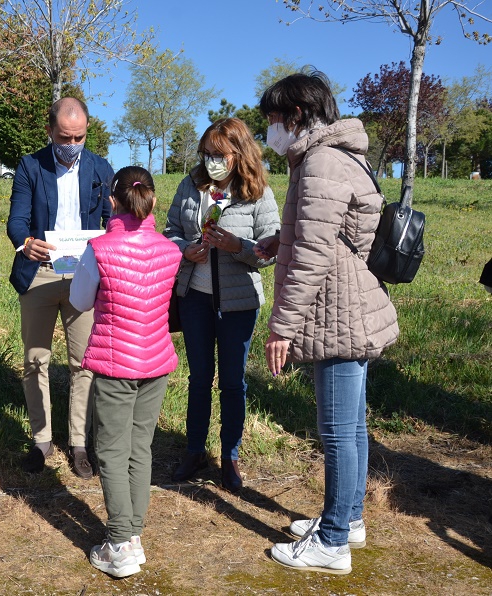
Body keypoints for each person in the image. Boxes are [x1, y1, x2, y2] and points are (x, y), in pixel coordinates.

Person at [255, 70, 399, 574]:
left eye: (273, 118)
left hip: (337, 314)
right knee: (352, 426)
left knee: (337, 430)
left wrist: (282, 328)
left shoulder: (320, 163)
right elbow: (326, 232)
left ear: (297, 116)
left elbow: (316, 254)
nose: (269, 130)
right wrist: (282, 240)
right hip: (353, 305)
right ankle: (349, 517)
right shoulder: (339, 156)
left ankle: (333, 540)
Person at [69, 166, 181, 578]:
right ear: (151, 201)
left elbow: (80, 300)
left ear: (112, 201)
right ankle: (132, 536)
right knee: (140, 450)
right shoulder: (171, 250)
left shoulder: (99, 248)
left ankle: (117, 542)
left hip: (116, 364)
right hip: (156, 362)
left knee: (112, 452)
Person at [163, 118, 280, 492]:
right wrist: (185, 250)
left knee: (233, 382)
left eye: (219, 154)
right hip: (195, 298)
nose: (211, 161)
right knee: (199, 379)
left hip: (239, 303)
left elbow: (271, 249)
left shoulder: (258, 192)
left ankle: (230, 455)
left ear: (238, 154)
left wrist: (239, 248)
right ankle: (194, 450)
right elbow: (170, 231)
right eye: (206, 154)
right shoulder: (191, 185)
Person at [7, 97, 113, 479]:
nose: (72, 143)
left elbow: (111, 220)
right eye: (65, 136)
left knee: (83, 362)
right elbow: (16, 219)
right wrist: (25, 243)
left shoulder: (101, 168)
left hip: (84, 274)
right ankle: (41, 440)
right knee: (36, 360)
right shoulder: (30, 166)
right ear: (50, 130)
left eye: (79, 136)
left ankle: (80, 443)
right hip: (40, 272)